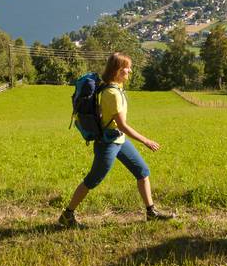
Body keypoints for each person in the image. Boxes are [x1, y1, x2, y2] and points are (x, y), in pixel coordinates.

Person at [59, 52, 173, 227]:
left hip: (119, 140)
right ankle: (67, 215)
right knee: (92, 180)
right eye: (127, 68)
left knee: (143, 172)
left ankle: (151, 212)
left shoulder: (113, 88)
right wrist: (146, 141)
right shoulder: (112, 93)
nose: (130, 71)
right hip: (108, 143)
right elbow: (122, 125)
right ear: (118, 70)